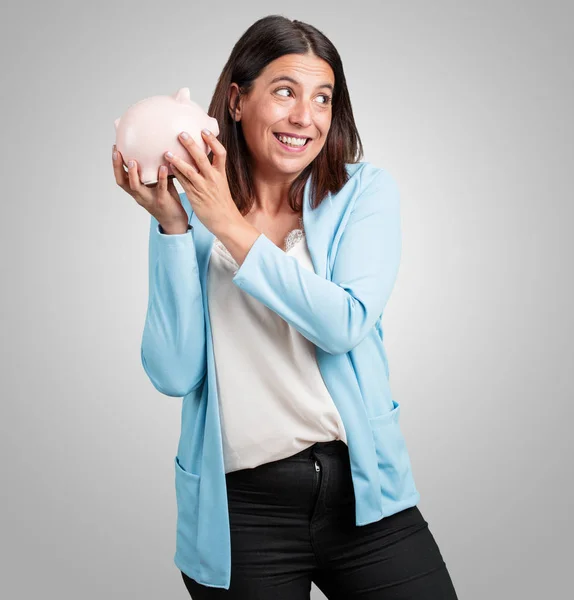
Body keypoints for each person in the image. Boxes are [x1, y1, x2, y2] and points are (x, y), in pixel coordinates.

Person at [113, 14, 459, 600]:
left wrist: (227, 224)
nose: (306, 116)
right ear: (236, 100)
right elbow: (173, 374)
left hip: (364, 492)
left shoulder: (362, 193)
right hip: (243, 511)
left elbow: (344, 323)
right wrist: (175, 227)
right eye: (284, 92)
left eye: (322, 98)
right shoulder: (188, 215)